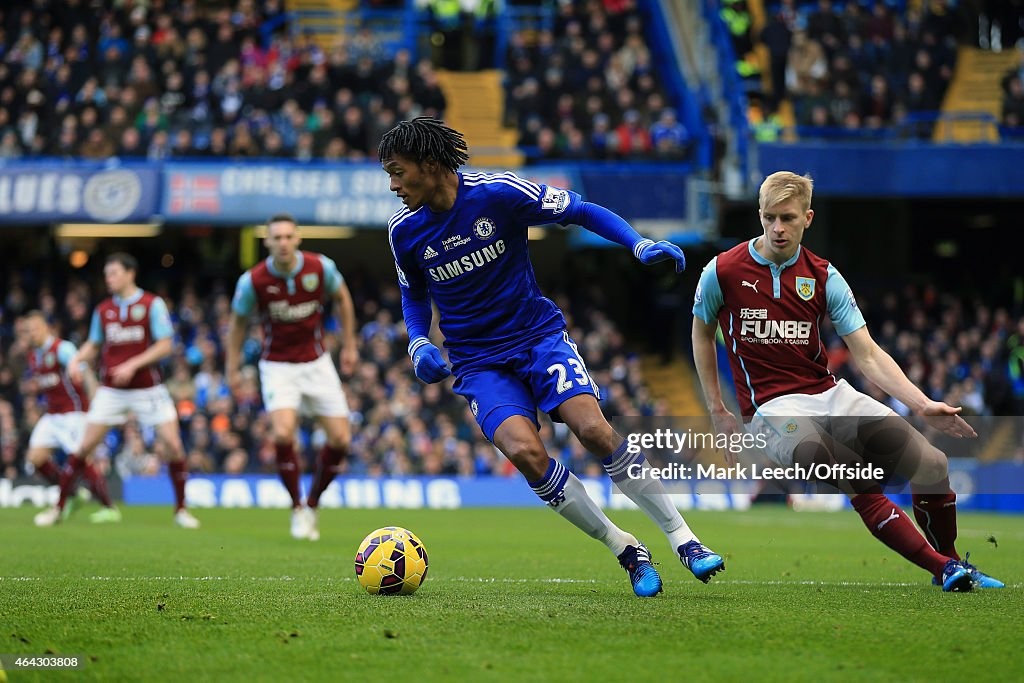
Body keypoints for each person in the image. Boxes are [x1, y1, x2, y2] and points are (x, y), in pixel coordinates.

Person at [380, 116, 724, 597]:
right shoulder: (403, 231)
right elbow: (413, 295)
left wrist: (636, 242)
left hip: (536, 338)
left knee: (594, 430)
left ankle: (683, 538)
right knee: (524, 452)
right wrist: (418, 341)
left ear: (430, 164)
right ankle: (624, 547)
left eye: (398, 172)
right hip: (478, 362)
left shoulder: (497, 194)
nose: (393, 185)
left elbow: (579, 209)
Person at [690, 171, 1003, 591]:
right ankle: (942, 568)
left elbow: (868, 353)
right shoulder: (723, 271)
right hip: (772, 410)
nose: (777, 228)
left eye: (787, 218)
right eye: (768, 218)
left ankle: (951, 562)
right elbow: (701, 332)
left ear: (808, 218)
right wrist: (718, 410)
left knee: (932, 464)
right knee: (853, 472)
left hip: (829, 394)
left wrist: (923, 402)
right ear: (759, 216)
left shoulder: (823, 276)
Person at [33, 253, 201, 529]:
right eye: (106, 274)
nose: (108, 279)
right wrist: (77, 359)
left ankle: (181, 510)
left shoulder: (151, 305)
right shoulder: (104, 310)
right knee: (84, 447)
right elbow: (94, 343)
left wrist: (133, 364)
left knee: (173, 445)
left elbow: (166, 344)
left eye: (113, 273)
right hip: (112, 390)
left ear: (130, 273)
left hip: (149, 387)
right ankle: (58, 507)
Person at [226, 214, 358, 541]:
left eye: (288, 236)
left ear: (297, 238)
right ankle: (297, 508)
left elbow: (342, 298)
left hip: (317, 362)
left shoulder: (320, 268)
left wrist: (350, 345)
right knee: (284, 434)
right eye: (276, 238)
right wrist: (232, 368)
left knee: (341, 440)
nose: (283, 242)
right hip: (277, 366)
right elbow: (238, 324)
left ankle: (312, 503)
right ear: (267, 242)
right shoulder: (252, 281)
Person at [19, 310, 100, 518]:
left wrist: (96, 402)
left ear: (46, 327)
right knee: (34, 458)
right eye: (29, 330)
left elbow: (85, 371)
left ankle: (108, 507)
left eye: (36, 328)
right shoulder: (34, 355)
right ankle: (73, 493)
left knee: (82, 459)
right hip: (53, 415)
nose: (32, 333)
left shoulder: (62, 348)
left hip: (74, 412)